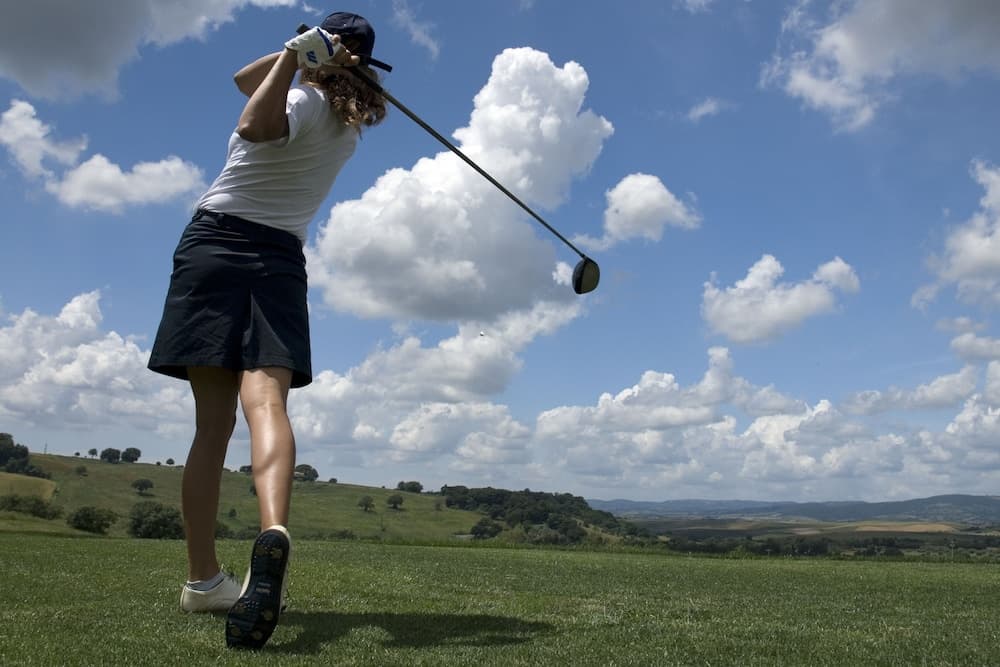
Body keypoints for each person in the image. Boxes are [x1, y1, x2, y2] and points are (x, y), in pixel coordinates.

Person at [147, 11, 390, 650]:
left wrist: (295, 57)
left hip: (215, 246)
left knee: (211, 427)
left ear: (325, 58)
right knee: (267, 403)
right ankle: (273, 530)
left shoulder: (304, 102)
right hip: (280, 259)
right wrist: (298, 55)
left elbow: (253, 122)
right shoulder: (345, 128)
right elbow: (242, 79)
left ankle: (203, 580)